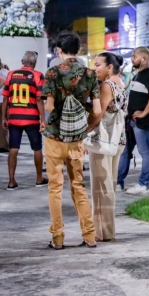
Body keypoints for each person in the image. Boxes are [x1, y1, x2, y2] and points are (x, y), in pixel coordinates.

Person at [42, 32, 102, 249]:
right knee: (79, 186)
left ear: (59, 50)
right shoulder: (89, 74)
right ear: (78, 50)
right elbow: (97, 109)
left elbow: (48, 107)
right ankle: (89, 236)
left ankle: (57, 238)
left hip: (55, 137)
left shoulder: (52, 72)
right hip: (77, 139)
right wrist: (81, 124)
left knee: (55, 188)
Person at [87, 52, 129, 241]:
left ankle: (102, 232)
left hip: (103, 142)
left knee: (101, 188)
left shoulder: (106, 85)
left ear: (109, 67)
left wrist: (82, 133)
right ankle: (107, 231)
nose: (95, 69)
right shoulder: (120, 84)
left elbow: (98, 113)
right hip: (117, 141)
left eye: (98, 65)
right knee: (108, 185)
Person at [118, 47, 149, 195]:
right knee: (124, 151)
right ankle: (119, 182)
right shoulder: (137, 74)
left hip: (142, 122)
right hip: (130, 121)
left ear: (144, 59)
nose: (132, 59)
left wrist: (144, 113)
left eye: (135, 56)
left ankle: (143, 184)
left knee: (145, 152)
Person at [2, 51, 46, 190]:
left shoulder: (11, 74)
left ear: (22, 62)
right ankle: (39, 179)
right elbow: (39, 98)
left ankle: (11, 181)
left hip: (14, 117)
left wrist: (4, 117)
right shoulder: (38, 75)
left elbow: (5, 98)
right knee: (37, 148)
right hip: (32, 118)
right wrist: (43, 119)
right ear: (34, 63)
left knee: (13, 148)